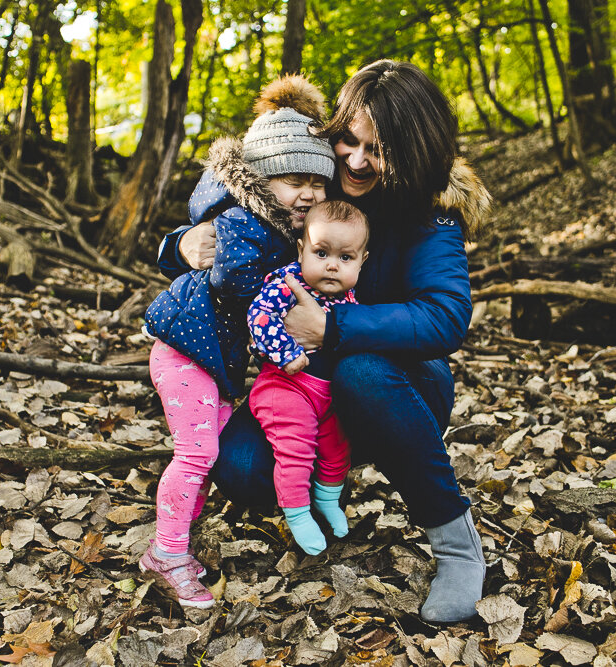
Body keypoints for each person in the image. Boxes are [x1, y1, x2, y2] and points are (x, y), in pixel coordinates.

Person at [157, 60, 491, 623]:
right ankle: (321, 483)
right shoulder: (315, 180)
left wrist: (335, 329)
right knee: (238, 465)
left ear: (411, 151)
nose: (356, 161)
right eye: (348, 140)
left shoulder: (431, 213)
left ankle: (456, 542)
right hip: (300, 380)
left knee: (360, 371)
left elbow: (447, 315)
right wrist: (184, 242)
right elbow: (239, 214)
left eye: (377, 149)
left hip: (398, 381)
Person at [139, 74, 336, 608]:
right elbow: (231, 280)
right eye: (296, 179)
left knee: (212, 450)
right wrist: (288, 277)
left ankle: (176, 540)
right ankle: (166, 553)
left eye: (319, 182)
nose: (311, 193)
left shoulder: (270, 222)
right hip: (186, 351)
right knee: (197, 452)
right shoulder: (249, 222)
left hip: (210, 355)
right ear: (264, 180)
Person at [247, 200, 369, 555]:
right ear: (302, 250)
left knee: (337, 448)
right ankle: (298, 513)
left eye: (346, 258)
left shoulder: (349, 299)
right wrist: (286, 352)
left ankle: (327, 499)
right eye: (321, 253)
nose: (332, 264)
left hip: (327, 391)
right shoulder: (287, 283)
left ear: (362, 261)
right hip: (285, 387)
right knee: (296, 450)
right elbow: (260, 317)